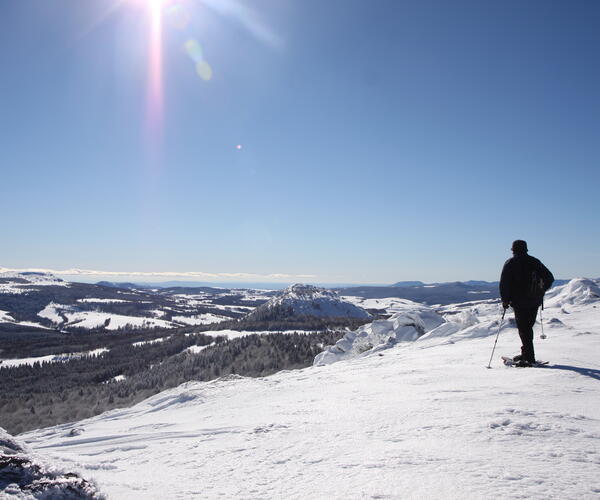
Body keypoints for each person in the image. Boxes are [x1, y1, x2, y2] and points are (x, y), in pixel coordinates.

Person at [500, 240, 554, 367]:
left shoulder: (511, 263)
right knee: (528, 327)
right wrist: (541, 291)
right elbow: (550, 278)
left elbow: (505, 284)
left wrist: (505, 300)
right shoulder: (535, 261)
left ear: (513, 250)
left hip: (519, 302)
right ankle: (526, 353)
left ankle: (529, 357)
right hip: (534, 301)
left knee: (524, 329)